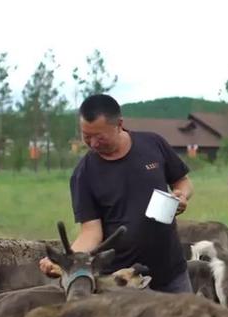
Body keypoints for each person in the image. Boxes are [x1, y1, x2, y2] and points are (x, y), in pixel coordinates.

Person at [39, 94, 195, 294]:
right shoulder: (84, 174)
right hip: (120, 282)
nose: (93, 143)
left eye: (99, 137)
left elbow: (182, 181)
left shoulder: (153, 144)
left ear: (119, 124)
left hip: (172, 273)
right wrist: (65, 260)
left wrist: (182, 195)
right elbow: (91, 232)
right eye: (86, 136)